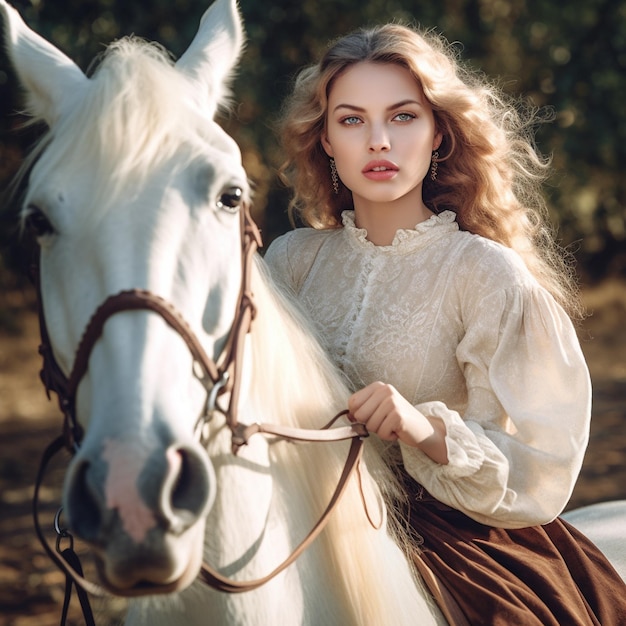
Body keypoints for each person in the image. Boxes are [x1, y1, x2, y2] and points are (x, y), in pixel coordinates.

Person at [263, 21, 626, 626]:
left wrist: (421, 428)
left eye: (403, 116)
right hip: (295, 524)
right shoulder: (290, 261)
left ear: (438, 134)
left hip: (448, 535)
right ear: (325, 140)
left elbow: (544, 460)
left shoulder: (484, 272)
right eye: (351, 120)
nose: (378, 141)